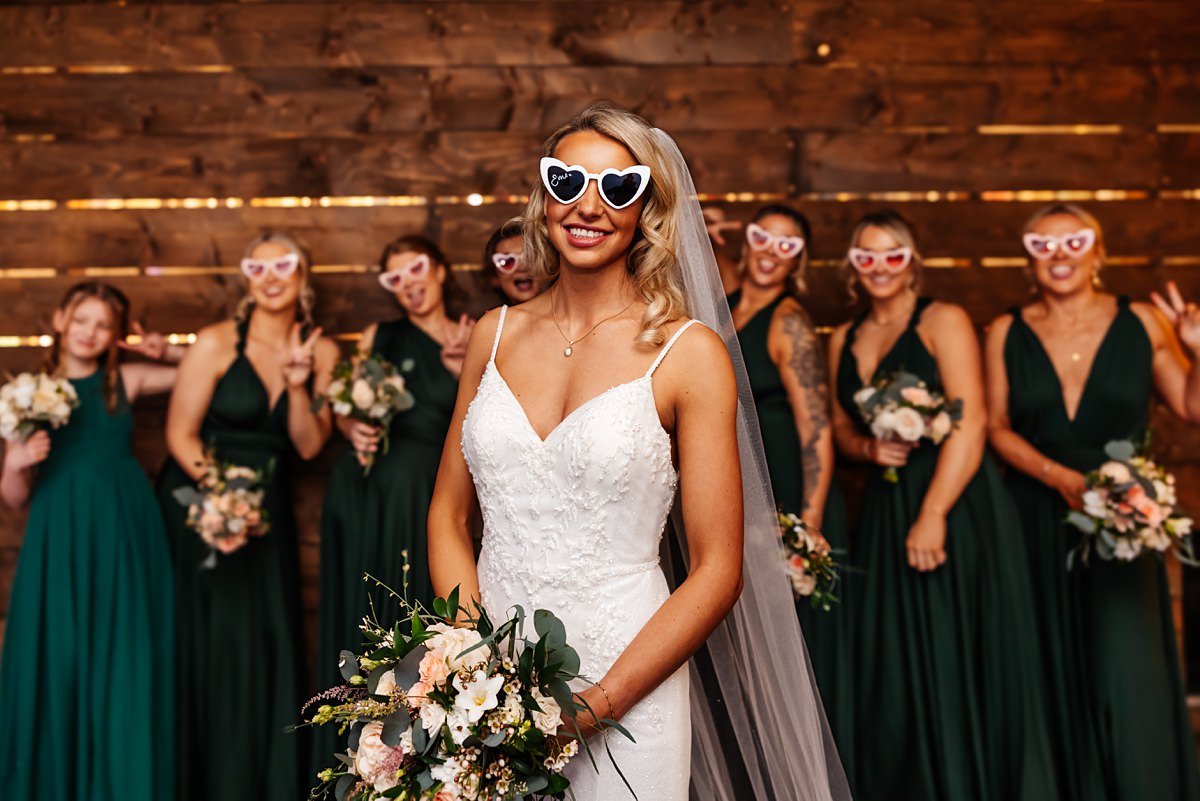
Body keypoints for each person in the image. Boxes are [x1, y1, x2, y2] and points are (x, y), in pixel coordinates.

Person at [428, 101, 849, 801]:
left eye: (617, 188)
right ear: (544, 195)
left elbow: (718, 568)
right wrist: (476, 663)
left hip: (628, 675)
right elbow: (448, 514)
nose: (588, 205)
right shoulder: (493, 333)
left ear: (647, 208)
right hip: (487, 681)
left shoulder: (689, 353)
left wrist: (600, 701)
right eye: (568, 182)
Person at [829, 211, 1056, 801]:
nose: (880, 267)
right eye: (867, 256)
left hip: (956, 504)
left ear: (912, 262)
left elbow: (971, 421)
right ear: (854, 266)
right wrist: (867, 445)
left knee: (960, 650)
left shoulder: (943, 320)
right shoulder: (842, 340)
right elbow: (838, 432)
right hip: (886, 504)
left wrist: (933, 514)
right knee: (897, 664)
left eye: (892, 255)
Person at [985, 203, 1200, 801]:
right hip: (1034, 515)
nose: (1059, 254)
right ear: (1029, 257)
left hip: (1126, 517)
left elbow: (1191, 405)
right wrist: (1059, 478)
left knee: (1126, 665)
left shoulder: (1144, 324)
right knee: (1048, 664)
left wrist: (1198, 350)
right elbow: (996, 426)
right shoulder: (1006, 330)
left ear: (1098, 253)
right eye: (1043, 243)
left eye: (1074, 241)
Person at [156, 231, 338, 801]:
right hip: (202, 505)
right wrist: (226, 501)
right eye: (256, 267)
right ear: (245, 279)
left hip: (270, 511)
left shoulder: (324, 352)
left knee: (265, 640)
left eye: (283, 263)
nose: (270, 275)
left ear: (303, 274)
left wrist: (297, 382)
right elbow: (180, 435)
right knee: (210, 641)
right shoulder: (213, 344)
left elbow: (309, 446)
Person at [0, 281, 181, 801]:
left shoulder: (126, 379)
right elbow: (13, 496)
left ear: (115, 337)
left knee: (122, 653)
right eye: (81, 320)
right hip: (57, 536)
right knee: (61, 654)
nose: (89, 332)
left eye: (103, 325)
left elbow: (205, 373)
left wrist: (163, 349)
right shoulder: (25, 393)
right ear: (59, 320)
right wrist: (15, 463)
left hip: (123, 531)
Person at [313, 234, 472, 773]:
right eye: (394, 278)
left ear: (442, 270)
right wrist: (351, 426)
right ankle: (363, 764)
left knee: (428, 622)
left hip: (438, 490)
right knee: (373, 618)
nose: (408, 284)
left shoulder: (474, 333)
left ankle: (431, 762)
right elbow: (344, 403)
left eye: (416, 269)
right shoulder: (380, 335)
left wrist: (458, 373)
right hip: (375, 495)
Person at [721, 203, 855, 775]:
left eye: (789, 244)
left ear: (800, 259)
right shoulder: (720, 307)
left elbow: (817, 430)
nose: (773, 251)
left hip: (785, 506)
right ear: (746, 243)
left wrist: (807, 526)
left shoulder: (790, 319)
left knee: (791, 652)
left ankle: (800, 775)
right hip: (734, 499)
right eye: (764, 238)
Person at [483, 219, 543, 305]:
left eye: (530, 257)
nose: (522, 267)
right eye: (507, 262)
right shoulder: (491, 318)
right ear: (494, 277)